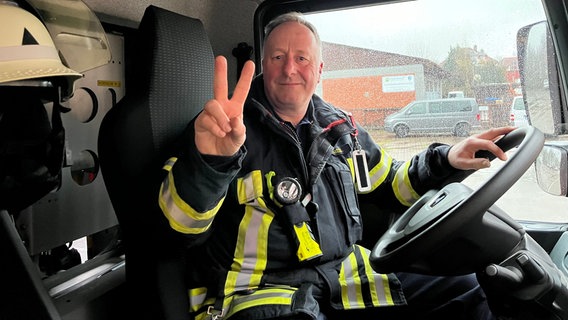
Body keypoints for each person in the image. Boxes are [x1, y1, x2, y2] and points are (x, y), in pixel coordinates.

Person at [158, 11, 512, 319]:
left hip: (344, 277)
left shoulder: (342, 128)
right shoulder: (220, 129)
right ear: (263, 64)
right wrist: (213, 161)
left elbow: (393, 183)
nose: (289, 69)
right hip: (258, 293)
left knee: (463, 286)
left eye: (302, 58)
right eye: (278, 56)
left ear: (320, 69)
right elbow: (181, 227)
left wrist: (446, 158)